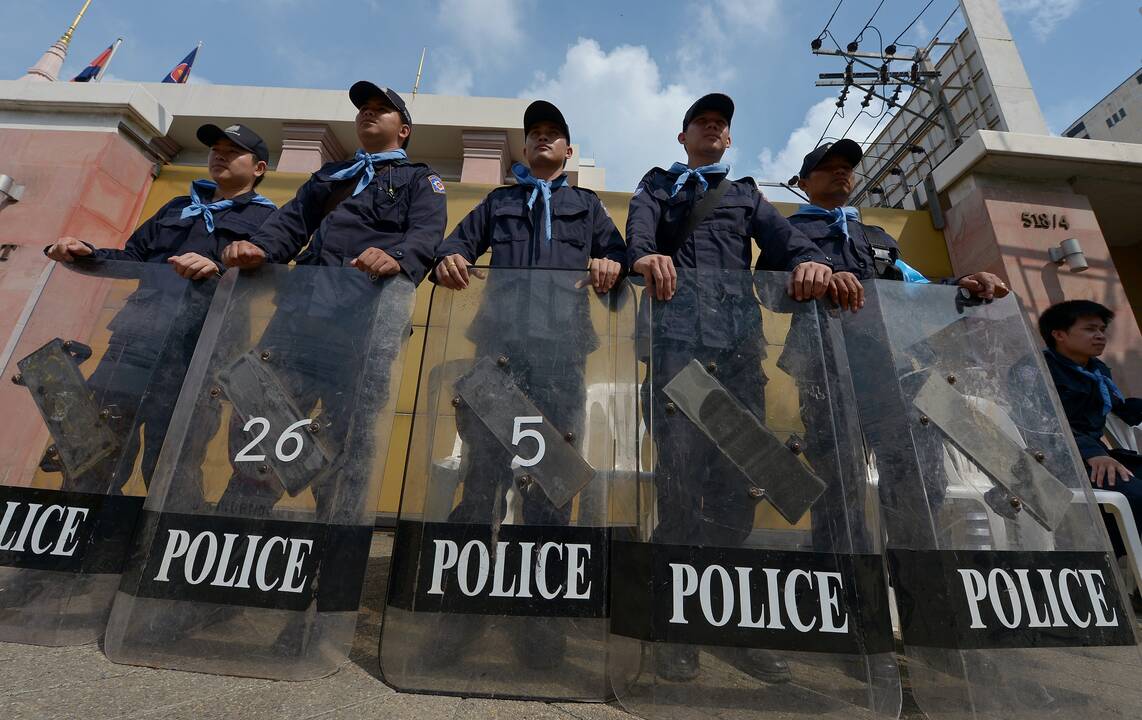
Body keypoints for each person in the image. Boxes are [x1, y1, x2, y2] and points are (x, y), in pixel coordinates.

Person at [626, 92, 832, 683]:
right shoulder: (658, 186)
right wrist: (643, 259)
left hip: (740, 357)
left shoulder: (744, 194)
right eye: (702, 122)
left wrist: (813, 262)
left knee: (739, 489)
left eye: (721, 124)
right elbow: (637, 234)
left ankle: (734, 625)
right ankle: (675, 624)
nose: (713, 128)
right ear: (683, 135)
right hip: (677, 356)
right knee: (681, 485)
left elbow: (786, 241)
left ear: (729, 139)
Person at [429, 100, 624, 670]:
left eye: (552, 134)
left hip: (562, 362)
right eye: (533, 134)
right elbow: (453, 244)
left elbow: (619, 259)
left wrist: (611, 265)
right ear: (526, 148)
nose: (542, 140)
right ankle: (458, 615)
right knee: (481, 482)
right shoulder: (500, 202)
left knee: (551, 488)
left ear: (567, 151)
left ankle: (540, 621)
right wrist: (451, 259)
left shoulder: (587, 208)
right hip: (498, 358)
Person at [214, 81, 447, 522]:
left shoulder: (421, 180)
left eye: (381, 109)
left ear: (404, 130)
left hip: (364, 326)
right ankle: (233, 538)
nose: (368, 114)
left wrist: (394, 257)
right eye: (363, 109)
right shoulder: (332, 175)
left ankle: (330, 556)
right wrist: (260, 249)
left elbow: (425, 234)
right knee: (262, 430)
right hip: (299, 319)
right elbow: (290, 223)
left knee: (347, 445)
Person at [40, 123, 275, 495]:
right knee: (97, 451)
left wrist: (219, 270)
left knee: (171, 460)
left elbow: (263, 285)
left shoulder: (269, 220)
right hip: (134, 343)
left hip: (198, 351)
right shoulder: (178, 206)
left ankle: (163, 549)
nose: (220, 155)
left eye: (233, 151)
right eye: (216, 148)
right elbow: (132, 258)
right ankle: (88, 540)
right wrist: (85, 252)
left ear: (259, 168)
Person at [1039, 300, 1142, 573]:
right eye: (1089, 329)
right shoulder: (1036, 369)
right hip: (1051, 459)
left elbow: (1118, 408)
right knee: (1133, 494)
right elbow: (1043, 423)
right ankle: (1113, 569)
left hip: (1094, 456)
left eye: (1101, 329)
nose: (1100, 335)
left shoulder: (1096, 371)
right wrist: (1093, 453)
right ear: (1058, 334)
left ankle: (1129, 571)